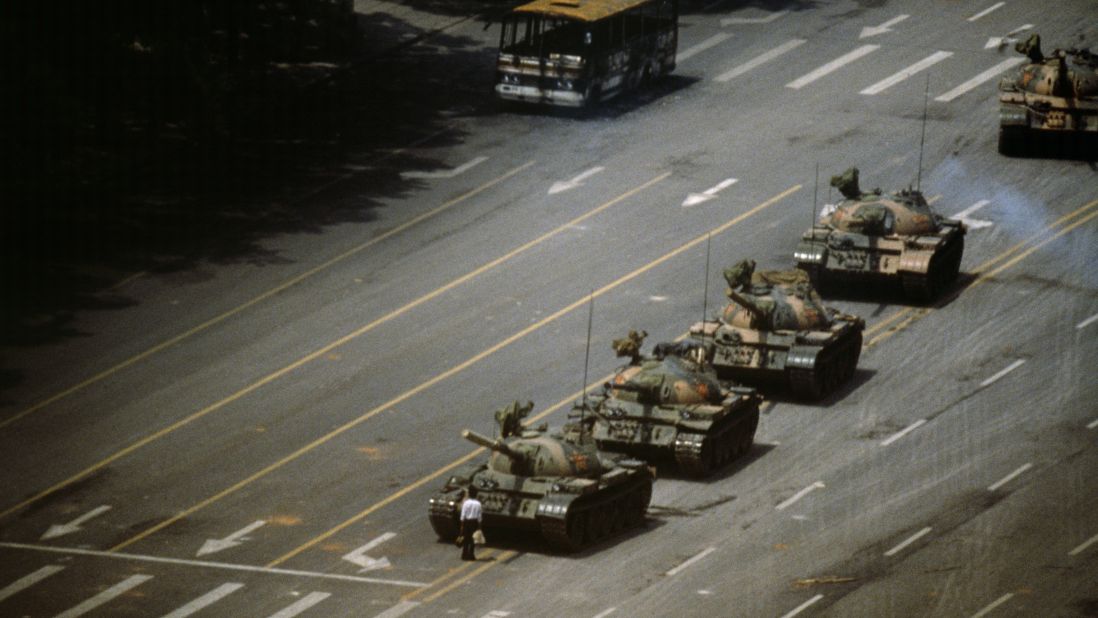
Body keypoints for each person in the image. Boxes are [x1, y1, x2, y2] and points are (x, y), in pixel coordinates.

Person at [459, 487, 483, 561]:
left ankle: (464, 554)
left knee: (466, 538)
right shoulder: (478, 504)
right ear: (476, 494)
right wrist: (479, 527)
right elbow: (479, 516)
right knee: (473, 539)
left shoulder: (466, 503)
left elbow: (463, 515)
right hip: (474, 522)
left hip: (466, 522)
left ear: (469, 494)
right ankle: (471, 555)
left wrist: (462, 525)